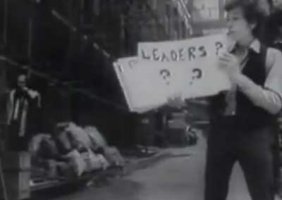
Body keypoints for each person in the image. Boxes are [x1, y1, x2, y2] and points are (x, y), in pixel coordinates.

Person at [205, 0, 282, 200]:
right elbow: (205, 95)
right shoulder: (218, 56)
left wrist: (238, 77)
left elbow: (274, 103)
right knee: (213, 193)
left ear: (253, 23)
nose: (229, 25)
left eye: (235, 19)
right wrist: (181, 100)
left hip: (255, 134)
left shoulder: (272, 57)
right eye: (227, 19)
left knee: (262, 193)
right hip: (220, 132)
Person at [6, 72, 41, 151]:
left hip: (25, 122)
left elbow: (35, 103)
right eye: (18, 82)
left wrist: (26, 93)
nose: (20, 84)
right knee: (12, 142)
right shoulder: (13, 93)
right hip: (14, 121)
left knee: (23, 143)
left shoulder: (31, 94)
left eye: (22, 82)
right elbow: (9, 106)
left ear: (26, 83)